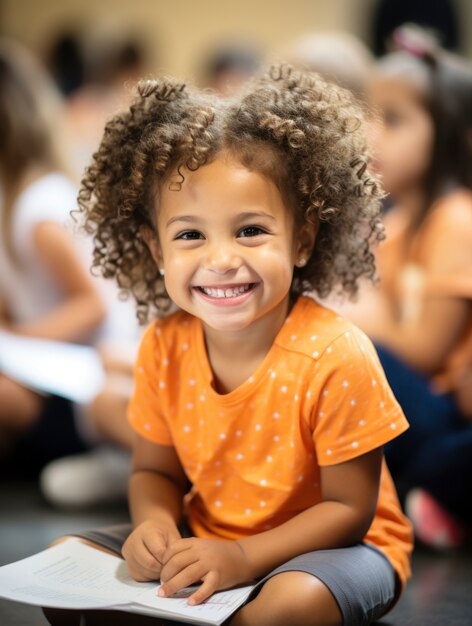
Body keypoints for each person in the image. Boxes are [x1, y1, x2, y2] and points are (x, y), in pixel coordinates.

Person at [45, 65, 413, 626]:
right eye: (190, 234)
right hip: (211, 536)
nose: (220, 259)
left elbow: (349, 511)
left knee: (288, 608)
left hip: (340, 551)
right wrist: (154, 525)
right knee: (63, 569)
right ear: (156, 248)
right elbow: (154, 473)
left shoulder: (338, 353)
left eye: (250, 230)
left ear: (303, 238)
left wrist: (244, 557)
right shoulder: (164, 346)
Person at [339, 25, 472, 548]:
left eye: (392, 121)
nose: (371, 137)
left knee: (357, 350)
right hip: (412, 411)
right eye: (369, 119)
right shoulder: (394, 227)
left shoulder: (456, 221)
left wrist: (361, 316)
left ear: (448, 132)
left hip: (444, 409)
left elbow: (425, 349)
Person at [0, 39, 106, 473]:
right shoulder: (12, 201)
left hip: (77, 381)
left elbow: (90, 307)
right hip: (44, 370)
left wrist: (17, 338)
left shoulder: (37, 208)